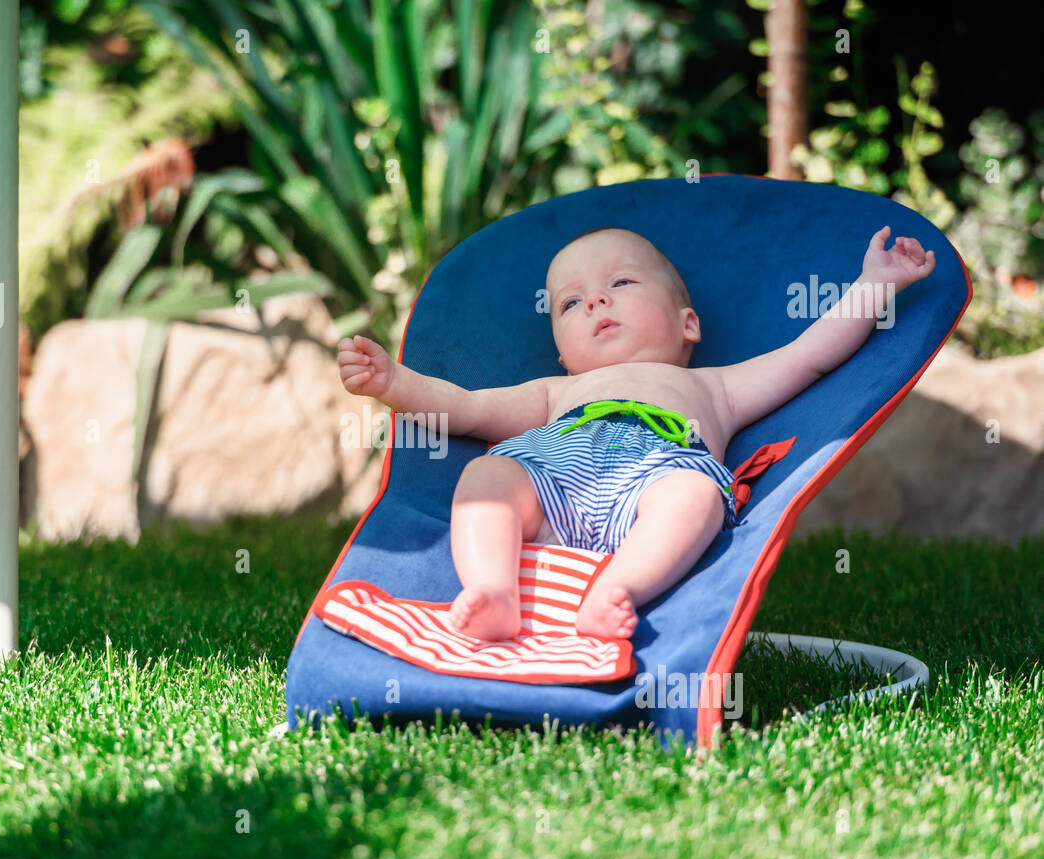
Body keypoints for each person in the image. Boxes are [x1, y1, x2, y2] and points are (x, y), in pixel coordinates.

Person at [338, 225, 934, 642]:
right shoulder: (557, 391)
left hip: (655, 483)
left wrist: (875, 285)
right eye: (571, 304)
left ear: (688, 324)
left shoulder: (718, 387)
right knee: (487, 476)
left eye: (621, 284)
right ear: (564, 355)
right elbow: (464, 408)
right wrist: (394, 382)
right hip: (553, 484)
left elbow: (811, 354)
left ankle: (616, 590)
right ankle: (493, 591)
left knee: (694, 498)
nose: (595, 299)